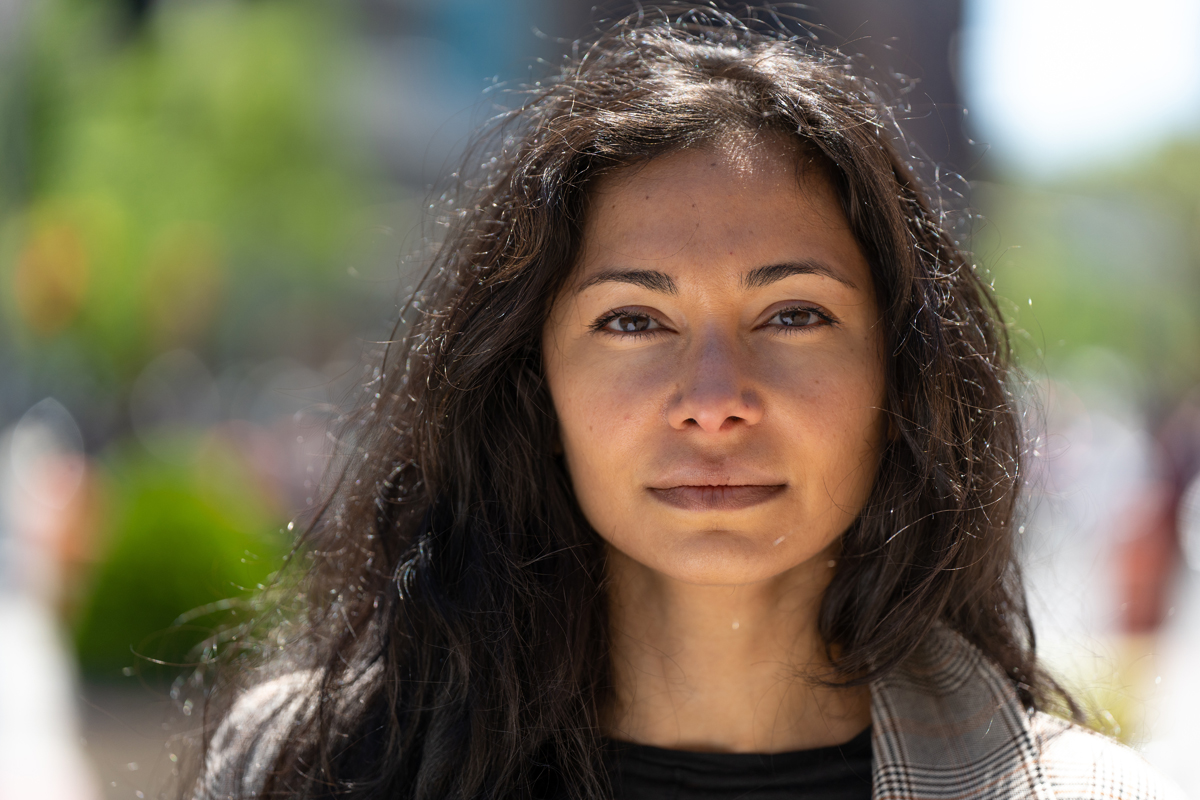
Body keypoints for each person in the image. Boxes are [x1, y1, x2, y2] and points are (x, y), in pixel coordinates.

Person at [187, 8, 1184, 800]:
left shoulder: (1084, 790)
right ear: (536, 387)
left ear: (901, 378)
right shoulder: (303, 766)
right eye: (633, 322)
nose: (714, 401)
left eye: (793, 315)